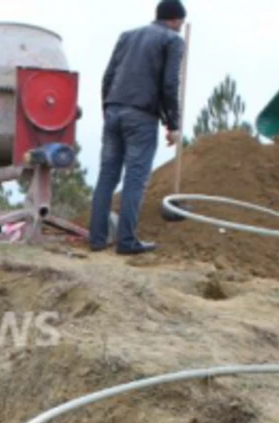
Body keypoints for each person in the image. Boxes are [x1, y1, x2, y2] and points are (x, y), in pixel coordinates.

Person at [88, 0, 186, 255]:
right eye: (180, 24)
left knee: (106, 177)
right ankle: (127, 241)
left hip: (113, 109)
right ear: (176, 20)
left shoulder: (127, 36)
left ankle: (97, 239)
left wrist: (107, 110)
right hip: (141, 116)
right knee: (135, 178)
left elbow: (108, 76)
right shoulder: (173, 40)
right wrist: (173, 124)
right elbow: (169, 85)